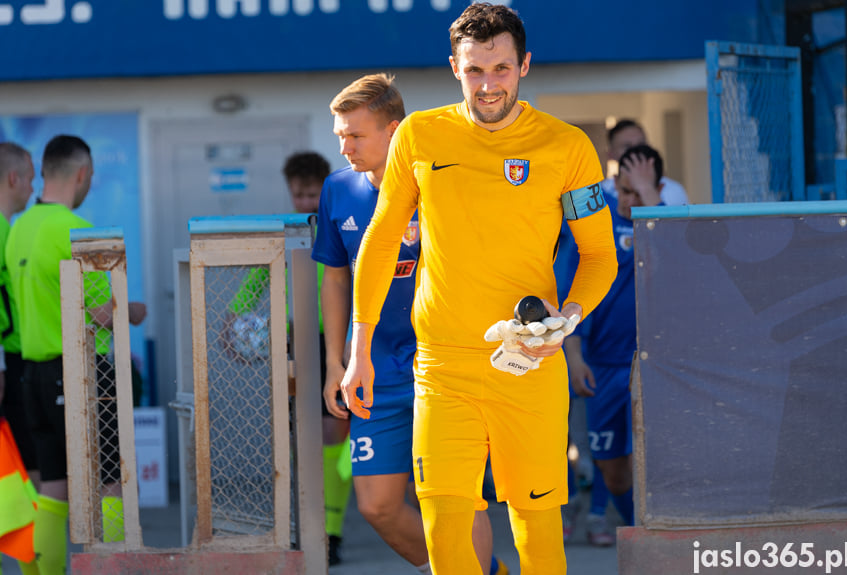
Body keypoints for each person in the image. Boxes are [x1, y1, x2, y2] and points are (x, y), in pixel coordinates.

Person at [339, 5, 618, 573]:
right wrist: (358, 348)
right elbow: (381, 238)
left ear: (525, 66)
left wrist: (568, 317)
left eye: (501, 68)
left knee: (536, 531)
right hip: (443, 367)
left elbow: (599, 256)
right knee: (445, 529)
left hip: (531, 366)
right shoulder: (419, 134)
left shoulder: (567, 148)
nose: (488, 85)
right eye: (474, 70)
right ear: (454, 68)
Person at [316, 73, 508, 575]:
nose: (346, 147)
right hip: (372, 371)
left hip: (442, 365)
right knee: (377, 504)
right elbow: (335, 281)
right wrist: (336, 361)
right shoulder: (338, 190)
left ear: (394, 131)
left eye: (356, 135)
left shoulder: (440, 183)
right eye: (340, 136)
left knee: (458, 498)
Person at [6, 135, 147, 574]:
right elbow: (105, 313)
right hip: (83, 373)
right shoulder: (75, 230)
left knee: (52, 487)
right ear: (82, 173)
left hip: (31, 372)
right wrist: (134, 310)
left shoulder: (18, 230)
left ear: (44, 173)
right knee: (110, 481)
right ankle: (112, 567)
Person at [229, 150, 354, 565]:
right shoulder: (284, 232)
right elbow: (254, 282)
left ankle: (331, 530)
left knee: (334, 434)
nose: (304, 203)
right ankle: (305, 523)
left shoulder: (339, 226)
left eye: (312, 194)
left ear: (326, 190)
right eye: (298, 195)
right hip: (292, 340)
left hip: (334, 341)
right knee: (299, 437)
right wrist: (232, 322)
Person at [560, 144, 665, 545]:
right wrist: (575, 356)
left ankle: (653, 540)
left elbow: (677, 263)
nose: (630, 200)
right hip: (603, 368)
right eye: (624, 190)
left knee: (659, 464)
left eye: (639, 192)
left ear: (656, 190)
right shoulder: (597, 229)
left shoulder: (663, 226)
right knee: (614, 470)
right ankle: (634, 525)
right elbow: (572, 296)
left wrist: (649, 200)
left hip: (653, 366)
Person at [0, 142, 37, 571]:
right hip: (10, 367)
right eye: (29, 178)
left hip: (14, 366)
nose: (33, 188)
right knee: (29, 475)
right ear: (14, 179)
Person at [602, 119, 689, 206]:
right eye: (627, 146)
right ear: (610, 155)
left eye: (641, 144)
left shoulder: (673, 190)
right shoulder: (601, 193)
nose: (636, 152)